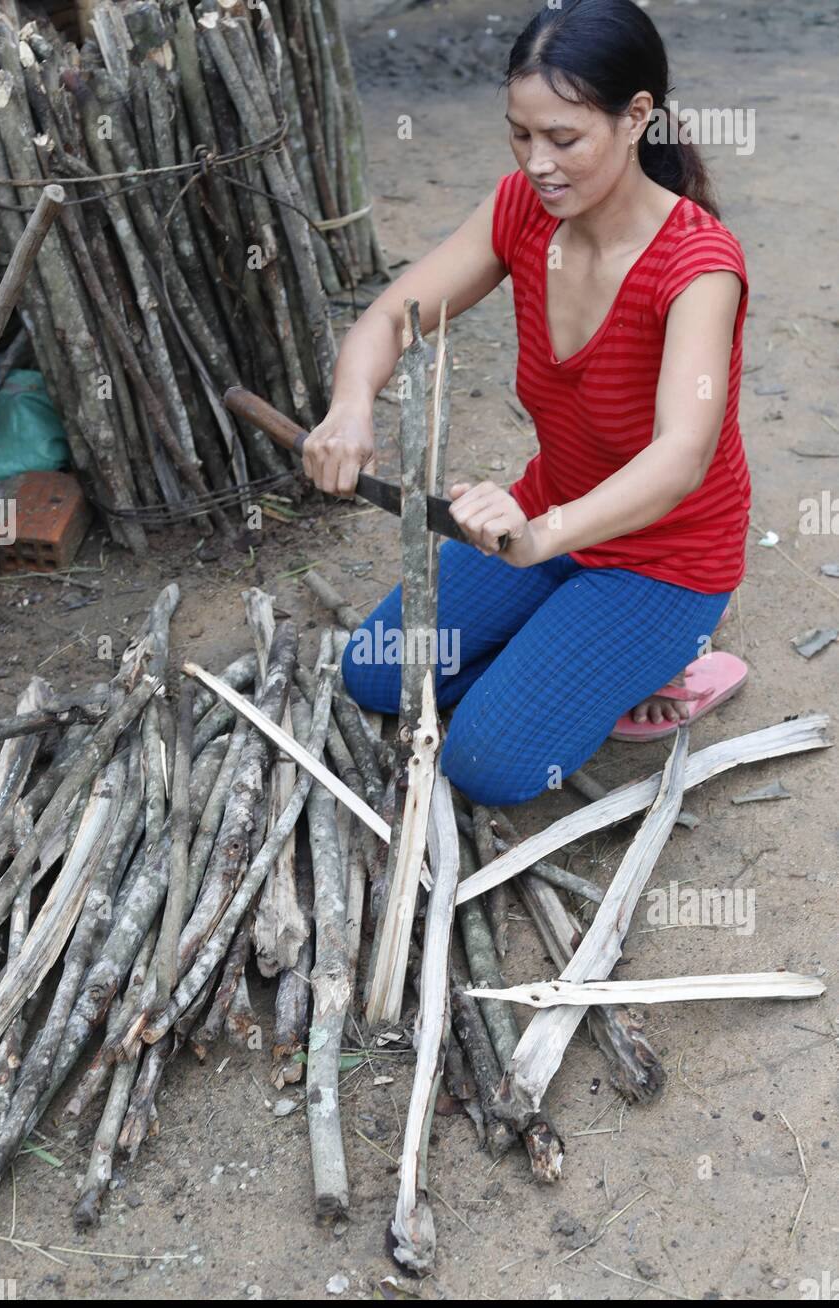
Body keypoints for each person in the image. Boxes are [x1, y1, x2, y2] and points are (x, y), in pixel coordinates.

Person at [301, 0, 750, 806]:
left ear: (635, 117)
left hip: (664, 559)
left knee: (488, 766)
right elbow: (389, 317)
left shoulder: (698, 265)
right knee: (374, 674)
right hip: (543, 520)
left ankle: (668, 661)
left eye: (564, 139)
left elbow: (681, 459)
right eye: (521, 133)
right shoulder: (521, 210)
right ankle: (570, 658)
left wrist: (543, 535)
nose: (538, 162)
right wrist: (349, 407)